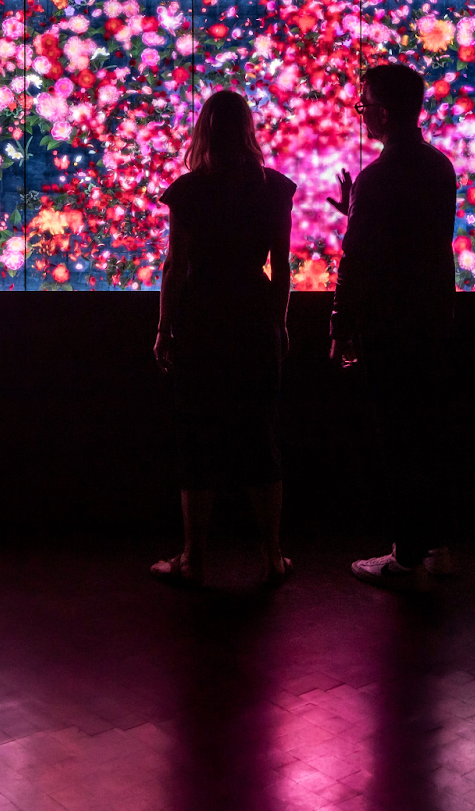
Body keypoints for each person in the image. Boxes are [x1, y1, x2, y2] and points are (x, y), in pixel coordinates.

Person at [151, 90, 296, 589]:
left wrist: (164, 326)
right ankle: (272, 557)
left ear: (204, 130)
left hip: (202, 316)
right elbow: (281, 266)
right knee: (260, 436)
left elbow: (176, 266)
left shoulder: (189, 190)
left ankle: (194, 558)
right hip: (253, 315)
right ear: (249, 129)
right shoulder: (274, 188)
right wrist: (278, 322)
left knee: (199, 439)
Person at [327, 63, 457, 592]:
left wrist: (341, 323)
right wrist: (356, 209)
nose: (361, 115)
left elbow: (359, 259)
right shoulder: (439, 167)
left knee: (399, 436)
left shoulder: (378, 178)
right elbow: (417, 244)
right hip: (434, 319)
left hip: (390, 325)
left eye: (362, 106)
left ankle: (405, 555)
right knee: (429, 432)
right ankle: (438, 545)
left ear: (381, 111)